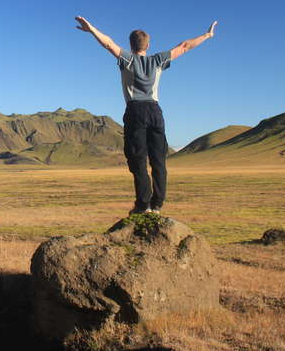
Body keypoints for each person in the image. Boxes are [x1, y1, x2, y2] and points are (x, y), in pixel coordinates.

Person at [74, 16, 217, 215]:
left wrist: (91, 30)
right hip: (155, 111)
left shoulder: (127, 59)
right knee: (159, 159)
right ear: (148, 45)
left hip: (136, 112)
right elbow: (184, 46)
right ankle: (157, 204)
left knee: (137, 159)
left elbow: (108, 43)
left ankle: (143, 205)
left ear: (131, 45)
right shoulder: (158, 60)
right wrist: (207, 35)